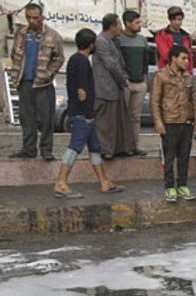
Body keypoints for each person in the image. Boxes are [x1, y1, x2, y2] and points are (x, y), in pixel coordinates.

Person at [53, 28, 123, 198]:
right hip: (83, 115)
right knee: (75, 147)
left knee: (95, 148)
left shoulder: (74, 60)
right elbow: (82, 92)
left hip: (82, 113)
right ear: (91, 45)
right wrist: (88, 115)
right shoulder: (83, 62)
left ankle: (104, 182)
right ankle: (61, 182)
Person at [8, 2, 64, 160]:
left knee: (46, 119)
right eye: (29, 17)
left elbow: (59, 58)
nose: (32, 21)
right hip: (24, 82)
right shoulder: (21, 33)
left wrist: (48, 73)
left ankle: (46, 150)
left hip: (43, 83)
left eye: (35, 18)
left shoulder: (53, 35)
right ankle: (28, 149)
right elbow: (14, 54)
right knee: (26, 117)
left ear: (42, 17)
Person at [151, 45, 196, 203]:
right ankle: (170, 187)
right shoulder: (161, 76)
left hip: (186, 122)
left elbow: (195, 101)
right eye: (183, 58)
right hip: (170, 121)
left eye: (188, 59)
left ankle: (183, 185)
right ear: (173, 58)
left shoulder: (188, 77)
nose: (186, 62)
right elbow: (155, 101)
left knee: (184, 156)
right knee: (169, 156)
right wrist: (158, 122)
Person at [93, 13, 134, 159]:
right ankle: (106, 150)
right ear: (112, 27)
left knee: (118, 122)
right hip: (105, 88)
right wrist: (124, 81)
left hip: (114, 88)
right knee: (106, 123)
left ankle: (120, 148)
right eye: (119, 25)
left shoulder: (113, 40)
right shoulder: (102, 41)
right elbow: (111, 65)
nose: (121, 27)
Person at [116, 10, 149, 157]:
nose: (139, 25)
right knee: (122, 116)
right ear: (127, 24)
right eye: (136, 23)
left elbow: (145, 62)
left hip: (140, 83)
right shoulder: (118, 40)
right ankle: (122, 145)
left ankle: (135, 145)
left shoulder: (142, 40)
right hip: (126, 83)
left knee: (136, 117)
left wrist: (145, 80)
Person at [155, 6, 195, 73]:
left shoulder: (186, 36)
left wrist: (190, 72)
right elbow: (165, 55)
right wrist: (182, 59)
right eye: (174, 19)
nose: (177, 22)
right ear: (170, 20)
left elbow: (190, 57)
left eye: (179, 19)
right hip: (167, 72)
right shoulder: (161, 34)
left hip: (183, 73)